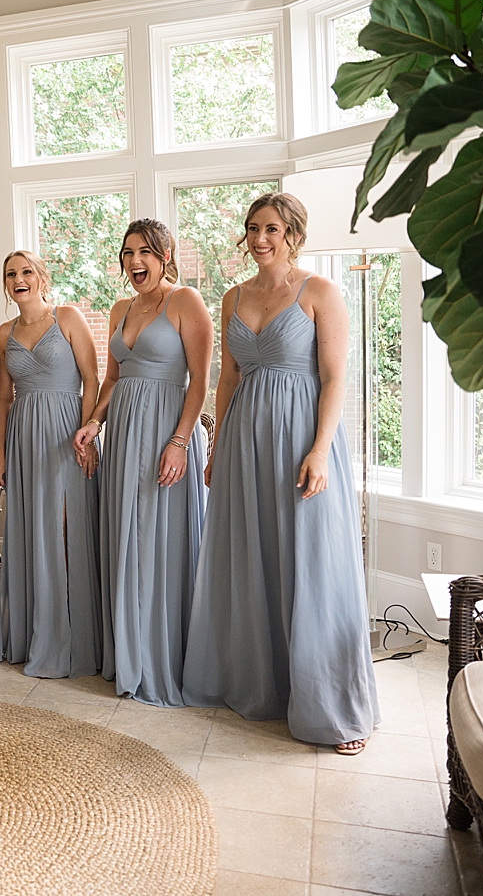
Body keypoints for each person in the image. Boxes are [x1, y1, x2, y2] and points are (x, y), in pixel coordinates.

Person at [181, 192, 379, 753]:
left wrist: (320, 449)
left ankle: (334, 710)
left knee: (314, 564)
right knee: (254, 554)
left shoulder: (321, 292)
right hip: (245, 438)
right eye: (252, 228)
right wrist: (216, 446)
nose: (259, 238)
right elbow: (227, 378)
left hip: (301, 439)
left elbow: (337, 378)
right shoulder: (232, 297)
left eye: (271, 228)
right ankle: (262, 684)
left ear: (293, 233)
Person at [74, 219, 211, 707]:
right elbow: (112, 378)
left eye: (146, 252)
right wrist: (94, 422)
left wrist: (179, 440)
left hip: (165, 434)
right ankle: (128, 654)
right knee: (126, 540)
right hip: (125, 435)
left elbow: (199, 381)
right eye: (128, 253)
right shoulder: (120, 308)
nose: (136, 262)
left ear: (166, 254)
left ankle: (160, 659)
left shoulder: (186, 301)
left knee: (158, 544)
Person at [0, 250, 103, 679]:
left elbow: (92, 379)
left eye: (25, 272)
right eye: (10, 275)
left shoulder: (68, 317)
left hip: (66, 433)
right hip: (23, 438)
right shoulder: (3, 334)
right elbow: (3, 397)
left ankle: (75, 640)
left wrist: (89, 433)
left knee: (64, 530)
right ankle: (35, 634)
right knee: (32, 531)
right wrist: (0, 451)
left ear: (41, 277)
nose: (18, 280)